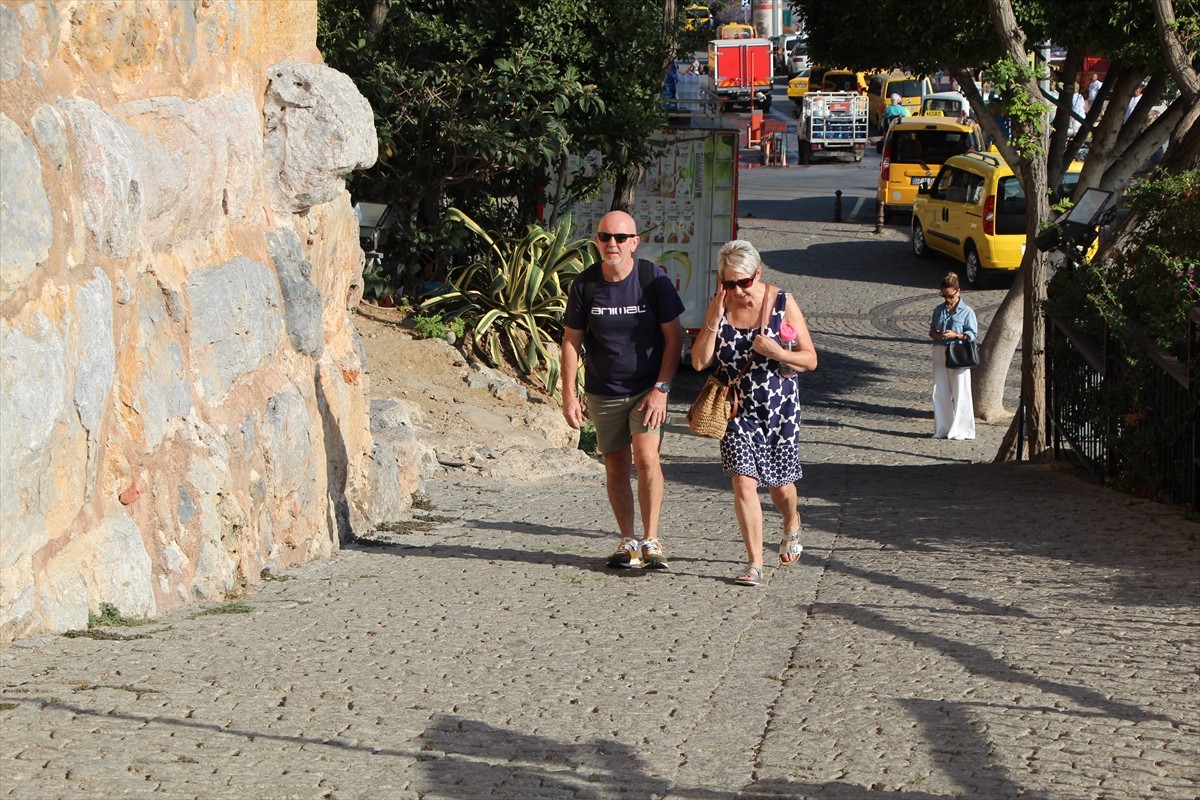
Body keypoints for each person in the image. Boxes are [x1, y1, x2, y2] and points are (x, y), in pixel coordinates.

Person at [561, 211, 685, 570]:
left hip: (648, 388)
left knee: (647, 459)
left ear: (634, 242)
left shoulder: (652, 280)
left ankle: (652, 540)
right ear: (597, 241)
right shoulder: (584, 285)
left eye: (619, 237)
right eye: (604, 236)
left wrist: (662, 388)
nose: (611, 243)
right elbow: (571, 342)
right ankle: (627, 541)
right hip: (604, 390)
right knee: (615, 466)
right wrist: (569, 395)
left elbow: (674, 337)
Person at [690, 240, 817, 587]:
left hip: (780, 410)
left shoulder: (782, 302)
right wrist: (714, 320)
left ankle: (791, 520)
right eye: (729, 283)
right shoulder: (720, 305)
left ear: (757, 274)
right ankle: (755, 563)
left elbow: (811, 358)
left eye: (743, 282)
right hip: (736, 410)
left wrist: (779, 351)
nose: (737, 290)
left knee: (780, 487)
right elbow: (700, 361)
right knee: (744, 482)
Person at [928, 272, 978, 440]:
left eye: (950, 295)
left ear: (959, 291)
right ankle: (943, 428)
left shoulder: (967, 311)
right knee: (939, 390)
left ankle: (962, 430)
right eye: (944, 295)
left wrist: (956, 335)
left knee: (961, 390)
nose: (948, 299)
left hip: (958, 351)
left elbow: (972, 334)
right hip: (940, 349)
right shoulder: (938, 310)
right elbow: (931, 331)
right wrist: (936, 334)